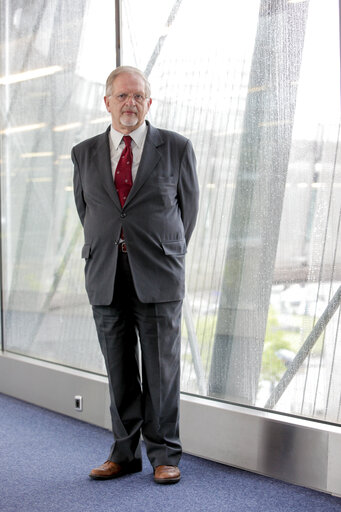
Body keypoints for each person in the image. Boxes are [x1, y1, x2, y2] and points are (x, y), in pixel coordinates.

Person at [72, 65, 199, 485]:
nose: (131, 104)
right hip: (106, 273)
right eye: (123, 96)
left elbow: (187, 213)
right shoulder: (84, 152)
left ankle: (165, 454)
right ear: (107, 102)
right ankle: (124, 454)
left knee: (162, 371)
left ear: (149, 102)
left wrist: (161, 251)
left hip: (158, 274)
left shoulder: (176, 148)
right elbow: (87, 211)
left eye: (138, 97)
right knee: (119, 369)